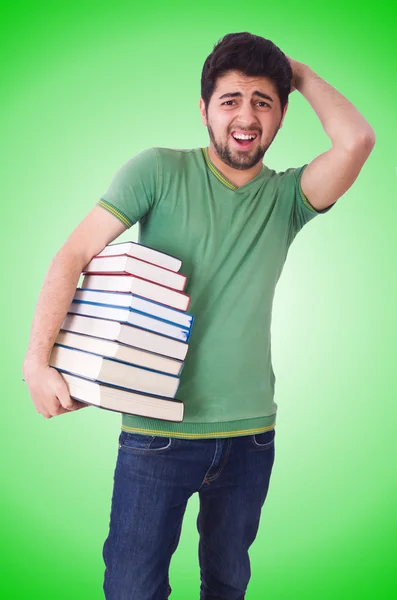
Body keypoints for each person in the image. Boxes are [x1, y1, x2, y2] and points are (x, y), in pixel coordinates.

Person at [23, 32, 375, 600]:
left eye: (263, 101)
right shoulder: (157, 171)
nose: (246, 115)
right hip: (155, 435)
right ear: (205, 109)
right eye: (231, 99)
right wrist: (37, 363)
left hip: (250, 436)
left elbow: (357, 140)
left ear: (283, 114)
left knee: (228, 585)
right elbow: (73, 255)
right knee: (132, 590)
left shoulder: (287, 199)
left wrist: (298, 72)